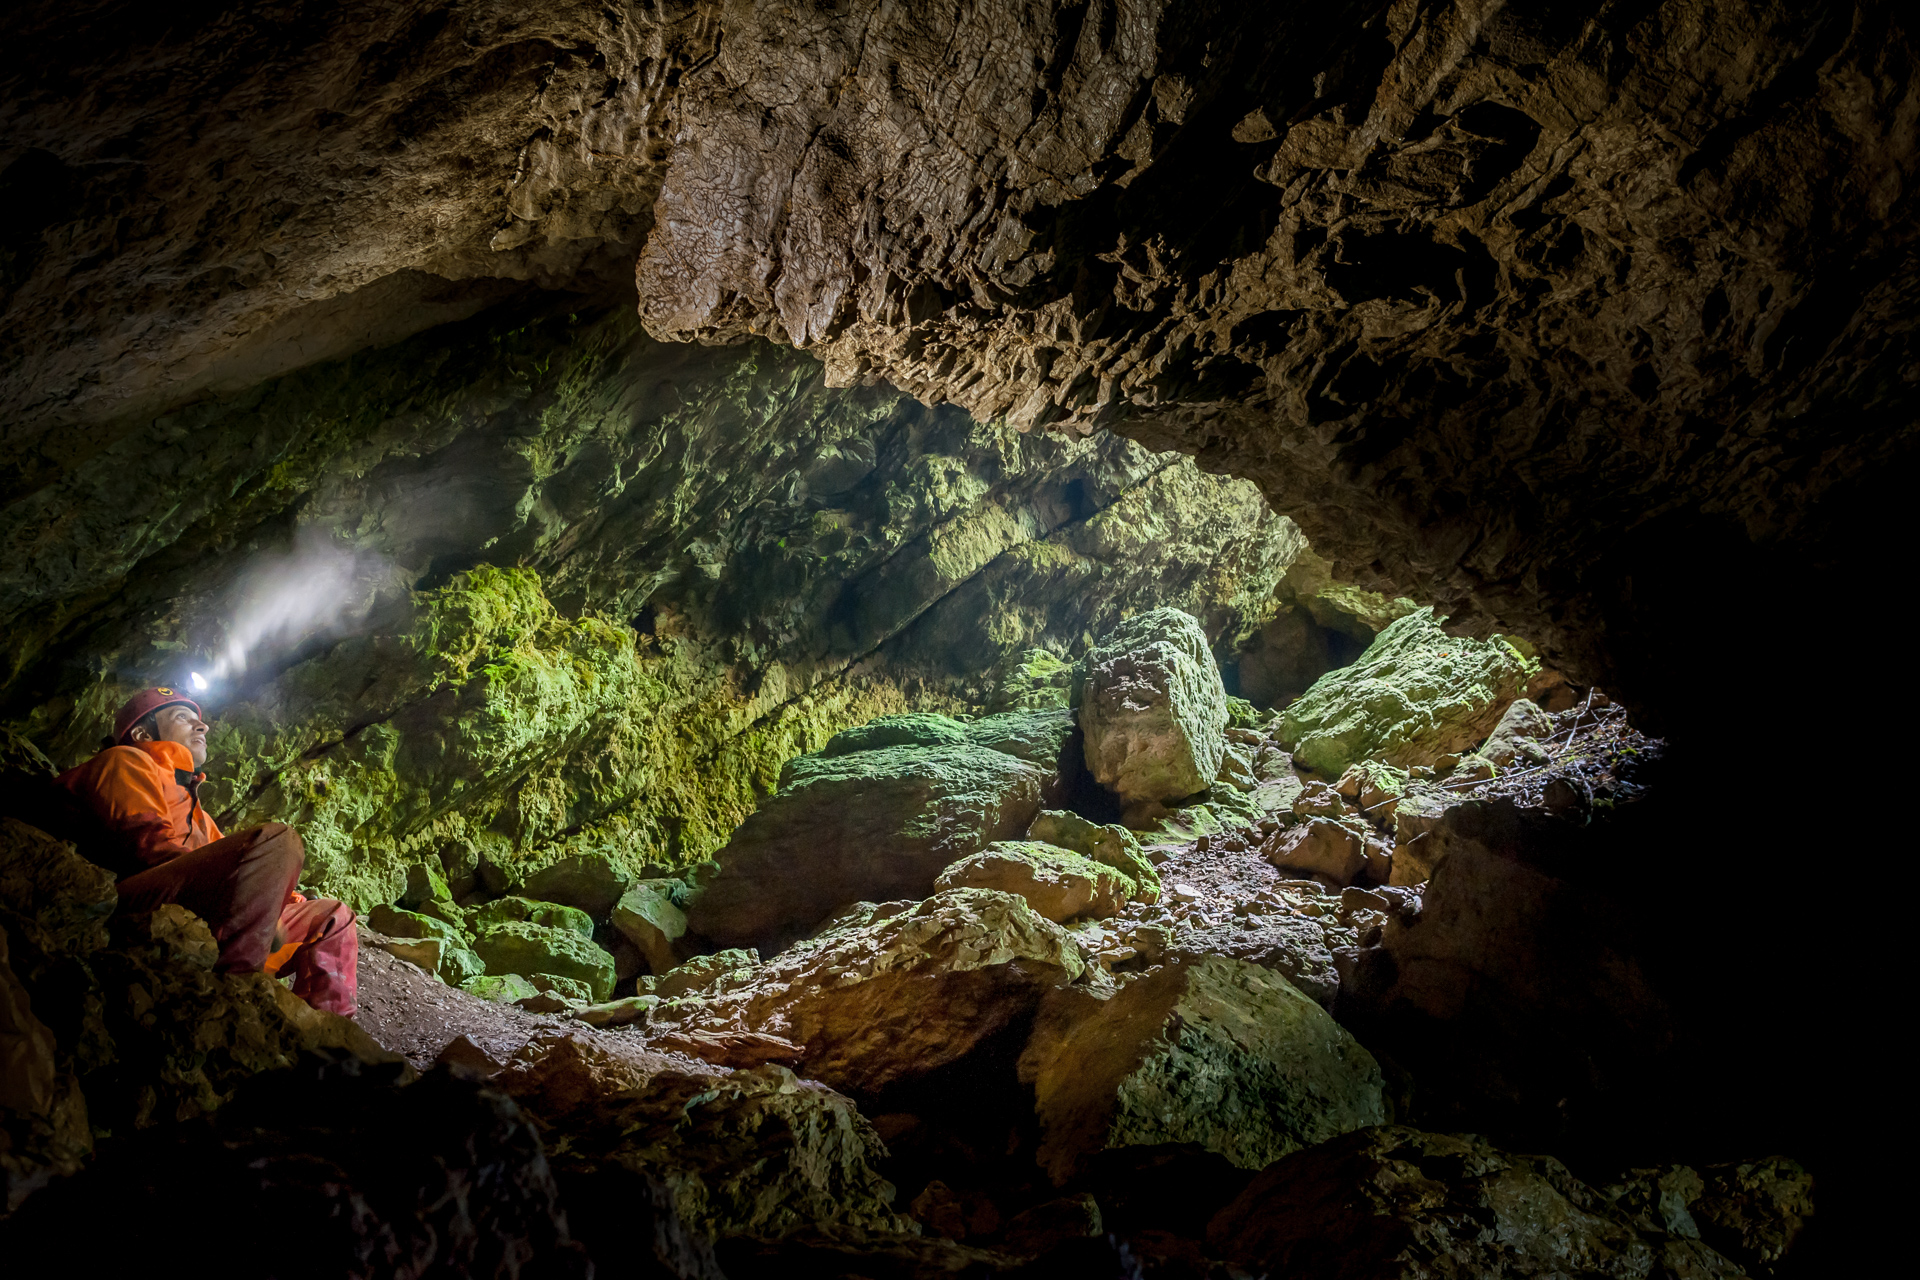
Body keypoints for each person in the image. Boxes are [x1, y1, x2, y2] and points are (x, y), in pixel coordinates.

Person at [56, 687, 357, 1015]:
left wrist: (279, 901)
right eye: (182, 717)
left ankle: (331, 1036)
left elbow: (242, 869)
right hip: (130, 903)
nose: (203, 727)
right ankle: (235, 996)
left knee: (332, 914)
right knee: (278, 840)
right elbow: (143, 849)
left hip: (200, 912)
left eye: (199, 720)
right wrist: (247, 898)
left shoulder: (195, 809)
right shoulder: (124, 760)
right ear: (143, 733)